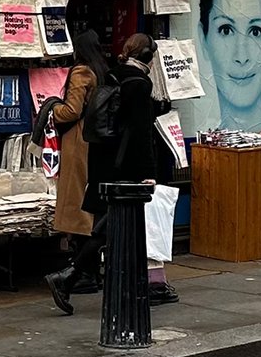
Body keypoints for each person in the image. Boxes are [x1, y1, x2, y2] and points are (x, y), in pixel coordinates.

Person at [47, 33, 170, 315]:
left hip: (102, 161)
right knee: (111, 227)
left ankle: (83, 276)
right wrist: (148, 172)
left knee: (105, 226)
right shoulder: (137, 84)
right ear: (148, 57)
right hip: (123, 165)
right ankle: (70, 275)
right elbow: (141, 132)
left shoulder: (112, 75)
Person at [43, 30, 107, 297]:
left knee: (78, 209)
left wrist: (50, 109)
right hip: (94, 142)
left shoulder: (81, 72)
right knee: (89, 207)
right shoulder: (101, 70)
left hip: (78, 143)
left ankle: (83, 273)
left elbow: (72, 110)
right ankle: (89, 271)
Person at [197, 0, 261, 132]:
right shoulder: (204, 135)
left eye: (256, 31)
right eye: (226, 30)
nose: (242, 57)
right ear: (203, 39)